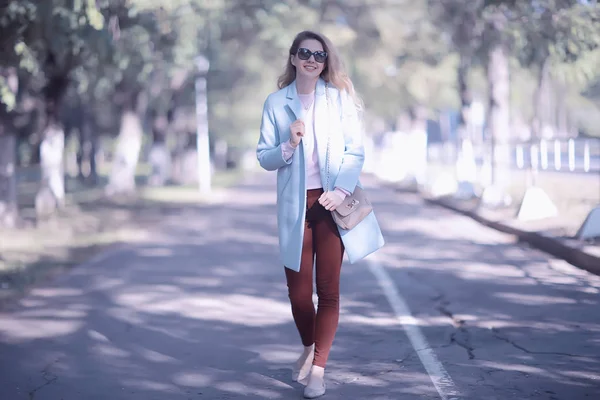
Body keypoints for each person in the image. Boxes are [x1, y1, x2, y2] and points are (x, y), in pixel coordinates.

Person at [256, 30, 384, 399]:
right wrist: (289, 143)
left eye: (319, 54)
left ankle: (319, 369)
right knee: (298, 295)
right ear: (293, 58)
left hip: (331, 203)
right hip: (295, 207)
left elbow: (355, 151)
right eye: (305, 53)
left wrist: (341, 189)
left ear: (326, 62)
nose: (312, 59)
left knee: (328, 291)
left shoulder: (337, 101)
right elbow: (264, 157)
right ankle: (310, 345)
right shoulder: (276, 103)